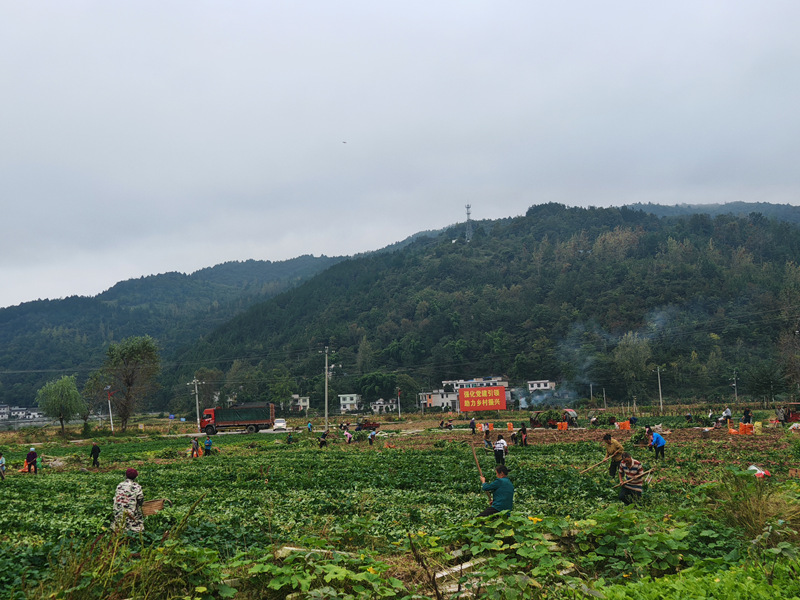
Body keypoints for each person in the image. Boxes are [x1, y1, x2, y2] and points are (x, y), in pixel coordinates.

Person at [113, 467, 144, 532]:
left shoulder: (120, 485)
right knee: (137, 510)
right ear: (135, 477)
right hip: (130, 514)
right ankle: (133, 526)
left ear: (126, 475)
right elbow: (140, 500)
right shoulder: (136, 486)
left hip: (118, 513)